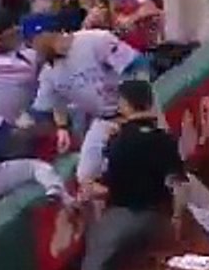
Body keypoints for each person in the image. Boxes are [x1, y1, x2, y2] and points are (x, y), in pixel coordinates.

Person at [76, 79, 188, 270]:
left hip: (123, 217)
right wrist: (176, 218)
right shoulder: (164, 139)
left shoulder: (118, 140)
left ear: (124, 104)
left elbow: (106, 187)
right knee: (110, 266)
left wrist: (88, 190)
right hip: (157, 219)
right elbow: (178, 184)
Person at [26, 15, 143, 188]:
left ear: (48, 34)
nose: (33, 47)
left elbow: (138, 66)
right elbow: (49, 105)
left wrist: (136, 111)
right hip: (104, 119)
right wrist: (62, 128)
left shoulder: (95, 40)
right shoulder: (48, 73)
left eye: (34, 41)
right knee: (85, 176)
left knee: (149, 161)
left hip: (139, 109)